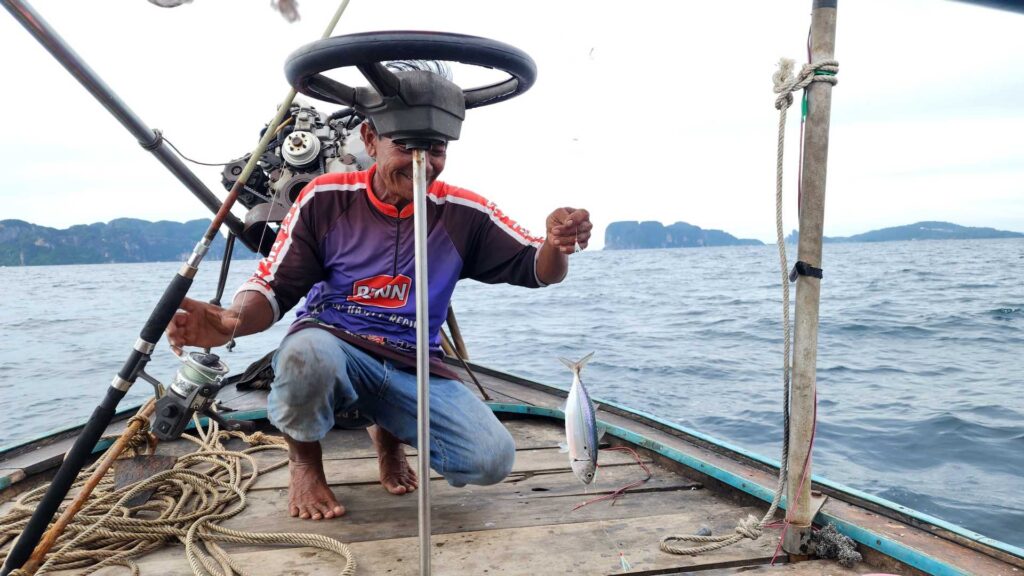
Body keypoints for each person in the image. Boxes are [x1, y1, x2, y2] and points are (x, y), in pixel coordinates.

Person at [166, 119, 592, 520]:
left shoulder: (463, 211)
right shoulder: (324, 198)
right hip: (335, 344)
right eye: (405, 146)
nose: (423, 161)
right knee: (306, 355)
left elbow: (536, 268)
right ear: (370, 140)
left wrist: (558, 243)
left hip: (413, 361)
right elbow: (273, 286)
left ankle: (387, 439)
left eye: (436, 149)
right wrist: (232, 320)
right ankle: (305, 465)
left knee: (490, 459)